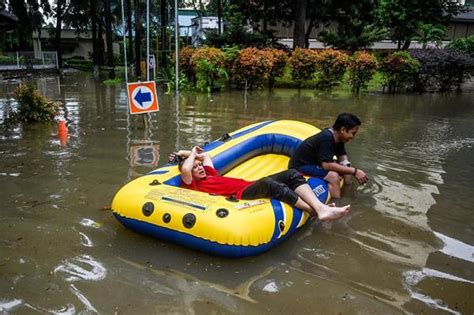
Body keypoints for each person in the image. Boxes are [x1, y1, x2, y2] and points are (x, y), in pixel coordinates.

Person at [170, 146, 351, 222]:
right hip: (241, 194)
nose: (200, 167)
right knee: (270, 185)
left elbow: (206, 156)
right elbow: (185, 170)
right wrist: (191, 154)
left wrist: (185, 152)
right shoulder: (192, 184)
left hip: (249, 184)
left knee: (292, 173)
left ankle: (320, 208)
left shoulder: (208, 172)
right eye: (195, 167)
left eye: (199, 166)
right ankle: (317, 211)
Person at [288, 113, 368, 199]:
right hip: (301, 165)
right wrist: (355, 171)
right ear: (343, 129)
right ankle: (337, 205)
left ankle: (347, 194)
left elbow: (343, 157)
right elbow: (326, 165)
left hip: (315, 162)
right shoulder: (327, 138)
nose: (353, 137)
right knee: (333, 176)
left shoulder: (339, 138)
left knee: (347, 166)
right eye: (353, 133)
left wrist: (350, 169)